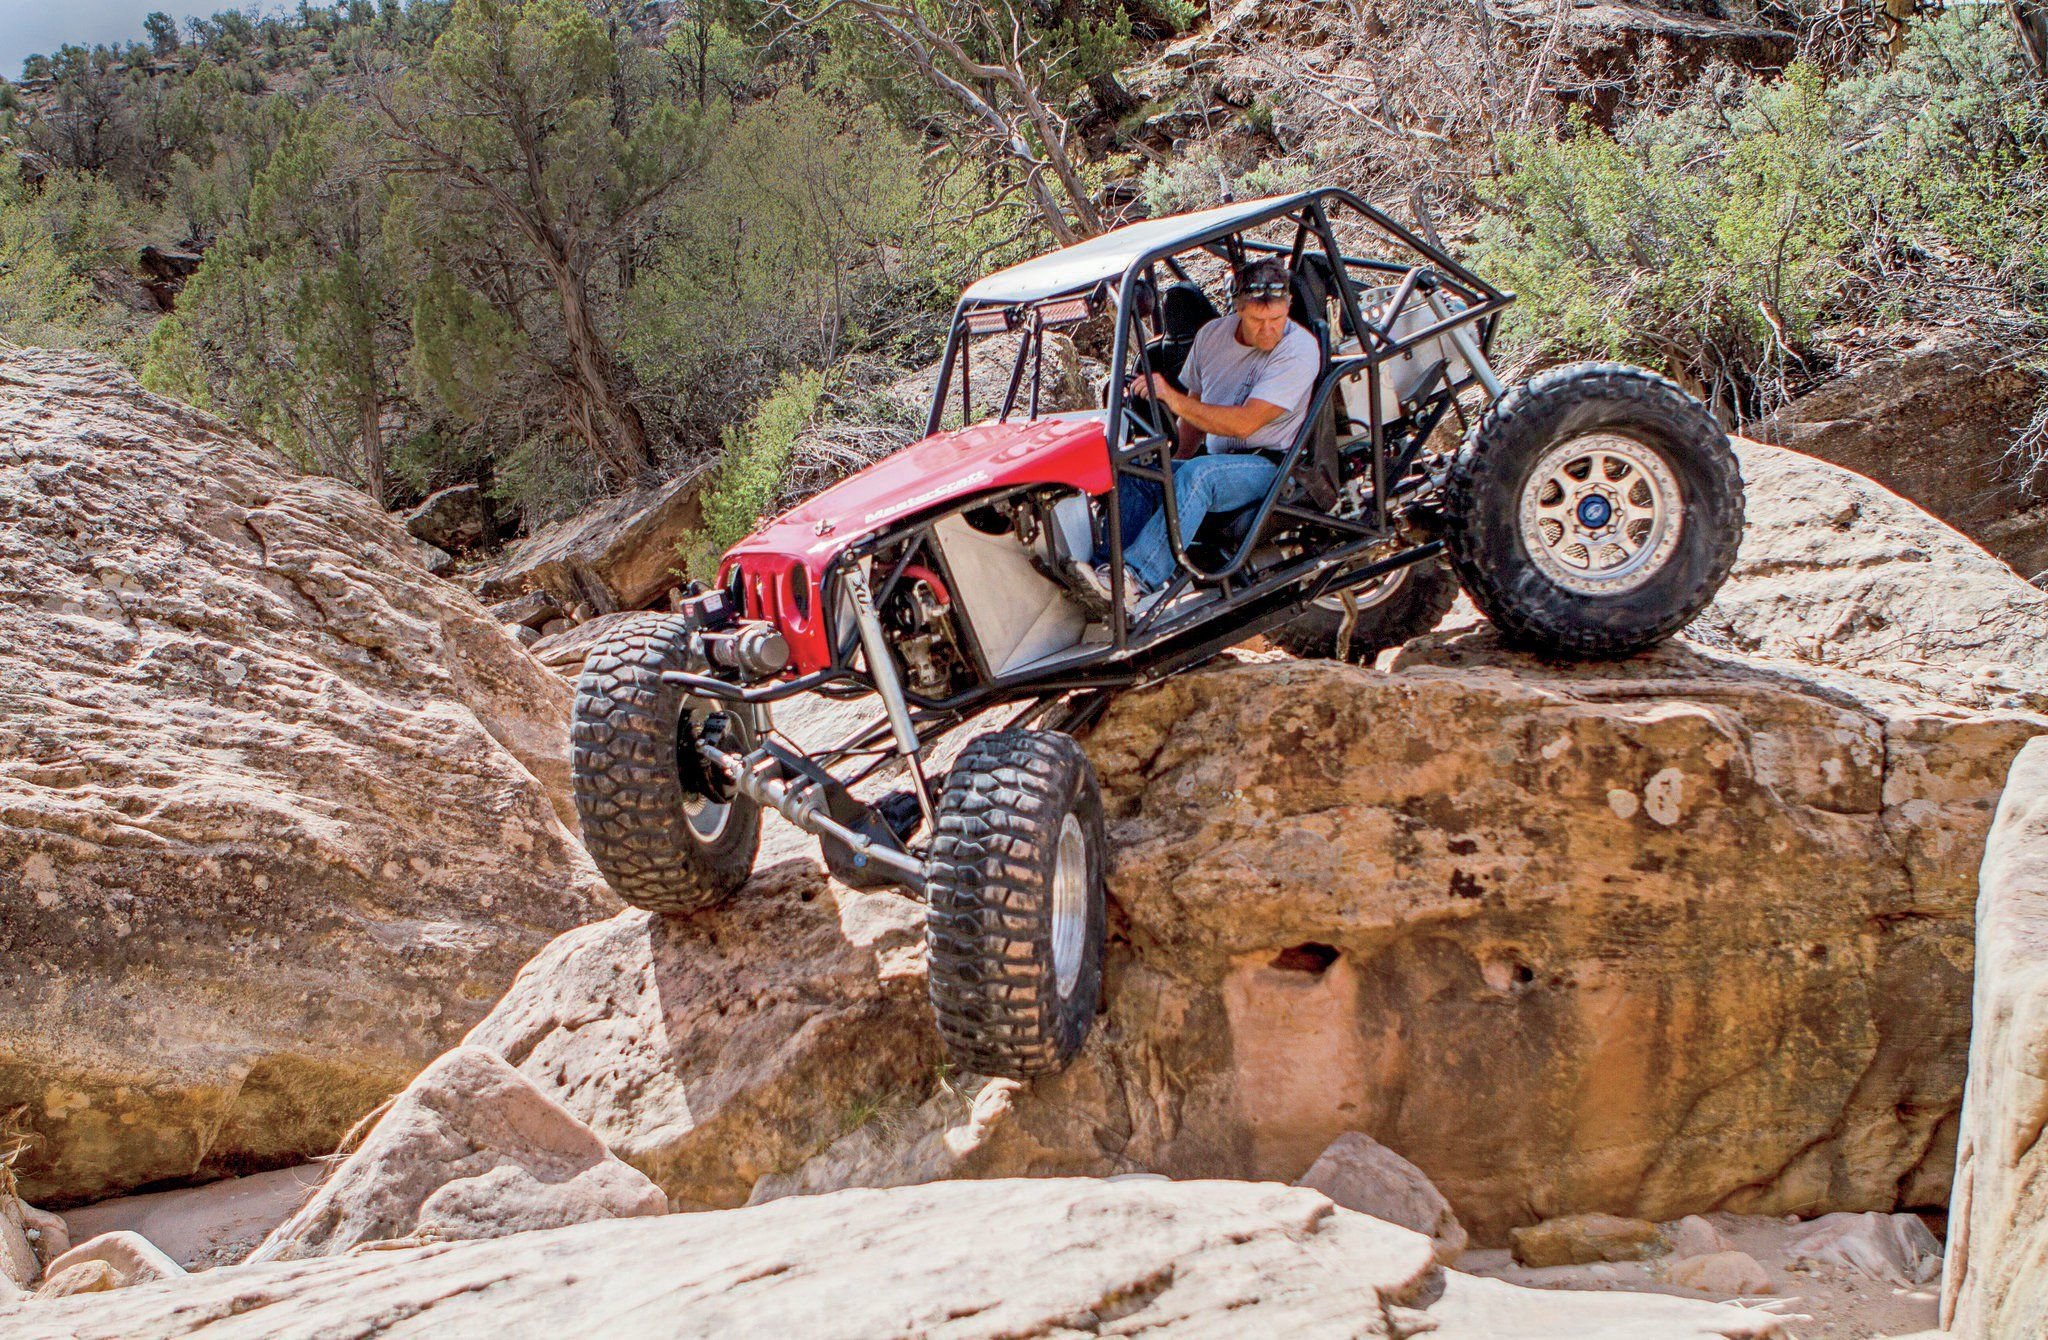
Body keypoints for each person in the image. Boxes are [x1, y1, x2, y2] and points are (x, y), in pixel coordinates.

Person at [1086, 258, 1320, 609]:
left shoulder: (1298, 349)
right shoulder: (1212, 336)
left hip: (1271, 466)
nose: (1269, 329)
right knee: (1138, 470)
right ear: (1238, 310)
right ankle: (1103, 573)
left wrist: (1171, 399)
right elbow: (1194, 417)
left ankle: (1133, 580)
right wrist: (1166, 466)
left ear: (1288, 307)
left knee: (1201, 475)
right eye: (1258, 320)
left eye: (1277, 319)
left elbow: (1245, 423)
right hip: (1220, 459)